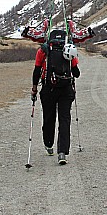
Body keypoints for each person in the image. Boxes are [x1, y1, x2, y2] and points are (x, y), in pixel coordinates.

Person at [31, 29, 81, 165]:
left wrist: (34, 89)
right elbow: (76, 73)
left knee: (49, 117)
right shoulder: (69, 49)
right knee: (64, 119)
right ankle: (62, 152)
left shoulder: (43, 51)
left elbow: (36, 71)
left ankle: (48, 145)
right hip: (66, 89)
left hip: (48, 88)